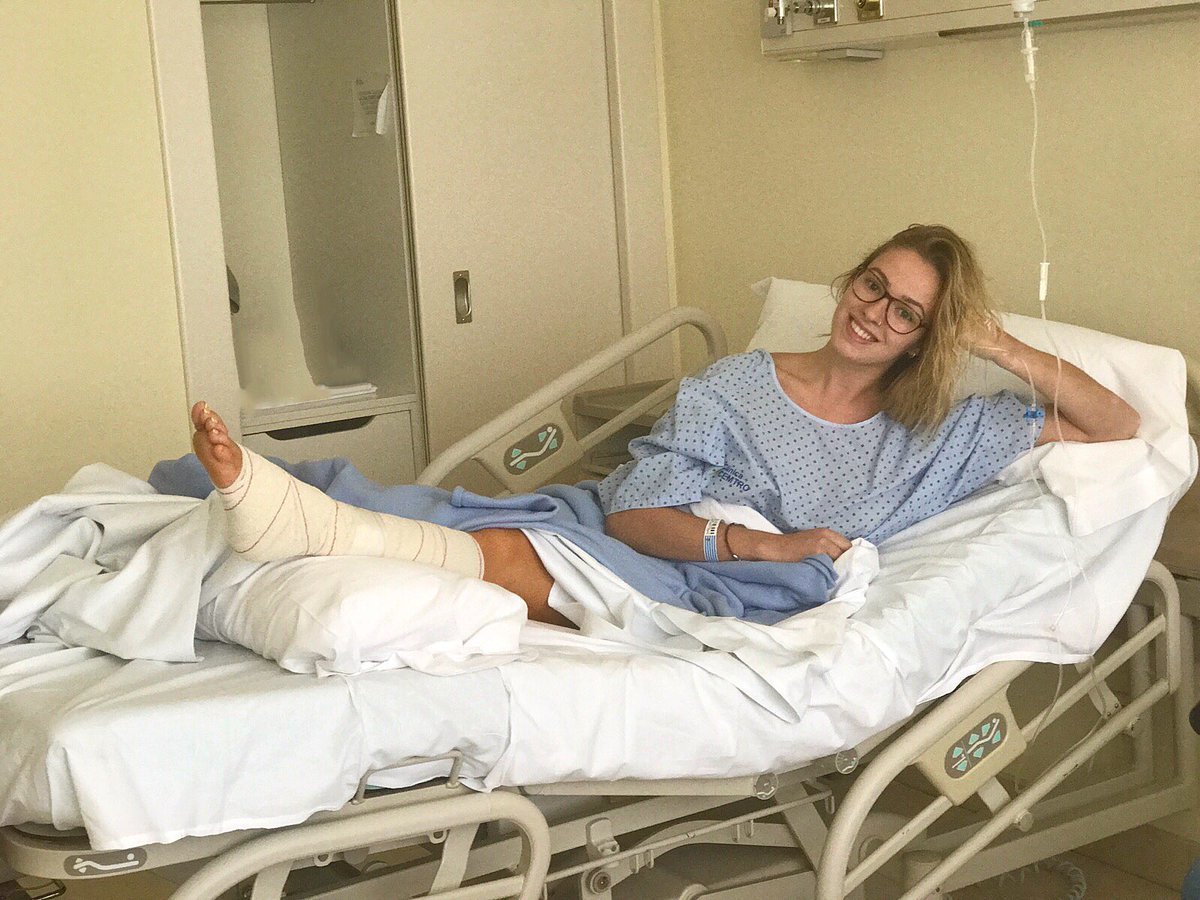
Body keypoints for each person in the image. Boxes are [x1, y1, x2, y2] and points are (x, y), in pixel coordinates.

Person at [186, 224, 1139, 627]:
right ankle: (295, 522)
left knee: (498, 558)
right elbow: (636, 516)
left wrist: (996, 342)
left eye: (908, 313)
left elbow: (1117, 423)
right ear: (849, 281)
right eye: (871, 285)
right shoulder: (737, 385)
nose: (874, 314)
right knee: (485, 530)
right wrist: (765, 546)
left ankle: (302, 532)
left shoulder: (939, 436)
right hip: (658, 540)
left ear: (929, 337)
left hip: (723, 588)